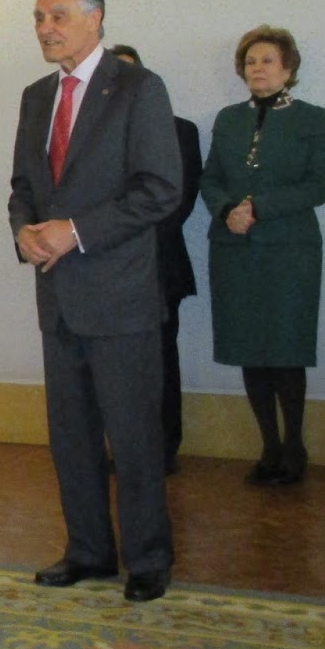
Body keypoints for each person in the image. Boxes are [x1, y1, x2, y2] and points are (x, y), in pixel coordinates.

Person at [7, 0, 181, 603]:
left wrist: (75, 231)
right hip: (57, 299)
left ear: (95, 17)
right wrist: (24, 232)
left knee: (133, 438)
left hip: (120, 296)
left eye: (57, 15)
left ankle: (148, 559)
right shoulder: (36, 97)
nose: (45, 28)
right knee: (71, 438)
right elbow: (23, 187)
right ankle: (88, 551)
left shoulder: (138, 88)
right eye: (38, 18)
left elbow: (160, 189)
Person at [199, 27, 325, 486]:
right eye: (251, 61)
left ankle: (294, 445)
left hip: (290, 254)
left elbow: (321, 186)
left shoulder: (312, 117)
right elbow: (210, 178)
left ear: (288, 68)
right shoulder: (228, 119)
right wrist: (226, 211)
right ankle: (269, 446)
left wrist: (258, 208)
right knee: (249, 349)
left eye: (268, 60)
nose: (257, 68)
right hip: (234, 250)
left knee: (285, 350)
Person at [110, 45, 202, 474]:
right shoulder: (88, 134)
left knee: (161, 359)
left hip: (159, 264)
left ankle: (164, 449)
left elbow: (178, 200)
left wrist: (127, 241)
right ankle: (123, 449)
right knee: (114, 366)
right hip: (104, 269)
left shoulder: (180, 130)